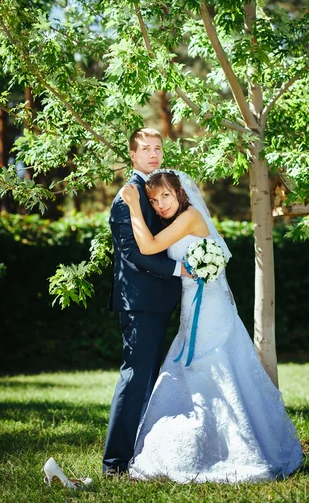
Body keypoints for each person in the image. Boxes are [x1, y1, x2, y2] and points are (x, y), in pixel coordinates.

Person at [121, 169, 303, 483]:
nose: (160, 204)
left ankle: (235, 450)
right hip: (193, 303)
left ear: (179, 193)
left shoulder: (189, 216)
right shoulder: (176, 220)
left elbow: (149, 247)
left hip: (209, 304)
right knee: (196, 366)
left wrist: (133, 205)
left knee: (211, 365)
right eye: (152, 200)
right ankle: (201, 443)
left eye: (165, 195)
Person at [103, 129, 186, 476]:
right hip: (138, 302)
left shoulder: (157, 189)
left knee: (151, 380)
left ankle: (141, 453)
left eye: (158, 148)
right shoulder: (129, 196)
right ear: (133, 155)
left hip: (159, 301)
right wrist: (180, 269)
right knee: (135, 379)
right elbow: (135, 254)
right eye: (145, 149)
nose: (153, 154)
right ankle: (115, 463)